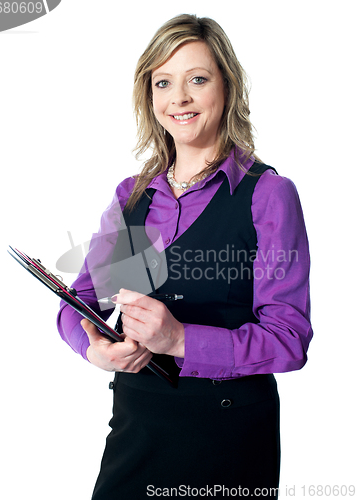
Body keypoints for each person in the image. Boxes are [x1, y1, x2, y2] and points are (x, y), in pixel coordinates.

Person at [57, 14, 313, 499]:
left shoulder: (267, 194)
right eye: (163, 83)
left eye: (198, 79)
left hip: (229, 444)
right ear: (150, 98)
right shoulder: (135, 197)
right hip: (136, 437)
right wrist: (95, 349)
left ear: (227, 88)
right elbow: (82, 301)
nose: (180, 98)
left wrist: (178, 339)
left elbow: (289, 339)